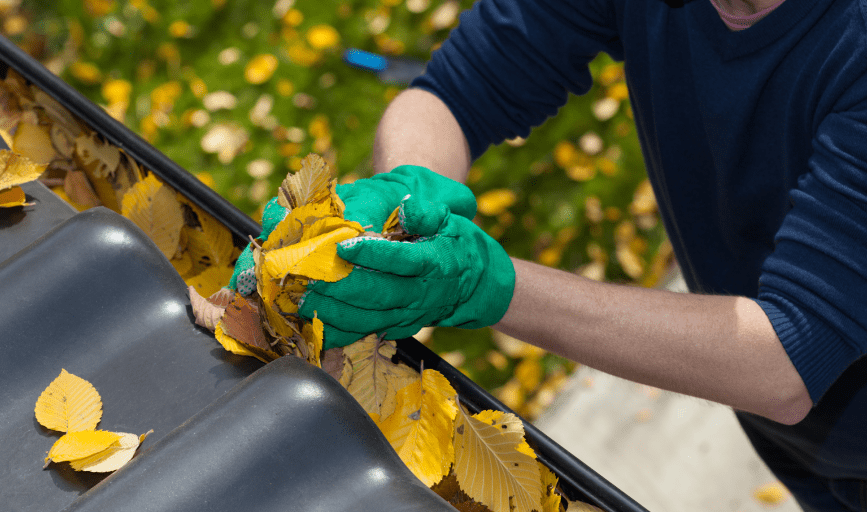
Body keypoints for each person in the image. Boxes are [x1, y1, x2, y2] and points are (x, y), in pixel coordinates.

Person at [231, 0, 867, 509]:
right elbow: (455, 91)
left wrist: (486, 284)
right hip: (800, 447)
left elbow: (784, 359)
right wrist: (404, 204)